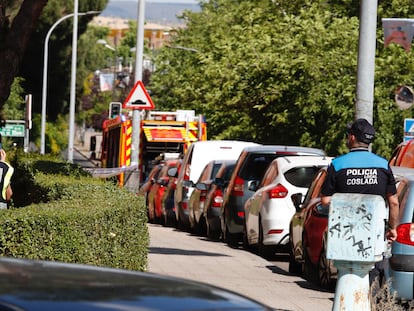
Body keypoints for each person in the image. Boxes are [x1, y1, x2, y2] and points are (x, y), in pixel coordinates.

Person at [320, 118, 399, 286]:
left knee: (346, 280)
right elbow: (393, 202)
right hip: (374, 236)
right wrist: (392, 228)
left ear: (353, 137)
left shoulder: (337, 164)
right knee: (372, 279)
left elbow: (326, 200)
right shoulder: (383, 165)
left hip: (345, 237)